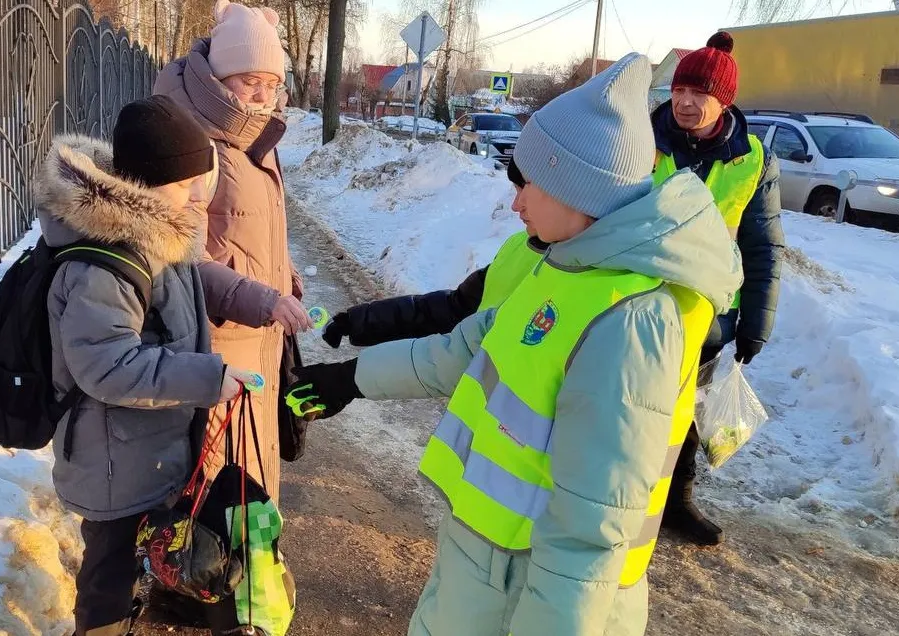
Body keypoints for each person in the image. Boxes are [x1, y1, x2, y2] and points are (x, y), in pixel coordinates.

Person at [291, 54, 742, 636]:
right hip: (484, 576)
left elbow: (589, 533)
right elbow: (461, 350)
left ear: (577, 187)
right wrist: (349, 378)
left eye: (529, 182)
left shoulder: (633, 321)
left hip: (529, 596)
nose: (515, 202)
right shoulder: (563, 269)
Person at [37, 97, 258, 636]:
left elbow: (180, 305)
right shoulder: (104, 263)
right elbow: (108, 365)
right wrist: (206, 378)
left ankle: (157, 601)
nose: (200, 196)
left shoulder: (160, 234)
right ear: (152, 184)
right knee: (108, 575)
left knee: (154, 546)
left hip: (148, 445)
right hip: (111, 460)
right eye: (189, 185)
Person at [155, 0, 310, 501]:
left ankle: (248, 568)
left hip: (256, 338)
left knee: (249, 480)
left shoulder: (250, 138)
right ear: (219, 77)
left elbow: (248, 230)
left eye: (273, 82)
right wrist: (263, 299)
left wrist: (283, 275)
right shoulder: (197, 145)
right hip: (220, 341)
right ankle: (206, 576)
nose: (265, 95)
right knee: (217, 486)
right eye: (250, 82)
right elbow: (179, 263)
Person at [651, 30, 785, 546]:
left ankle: (675, 499)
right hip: (627, 301)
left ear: (724, 100)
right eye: (679, 91)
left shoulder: (753, 159)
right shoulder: (641, 140)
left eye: (699, 94)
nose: (685, 103)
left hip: (703, 312)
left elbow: (763, 247)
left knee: (687, 411)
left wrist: (756, 323)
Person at [320, 161, 546, 350]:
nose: (516, 206)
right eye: (516, 192)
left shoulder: (574, 280)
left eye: (525, 191)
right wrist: (359, 321)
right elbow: (452, 309)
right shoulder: (519, 246)